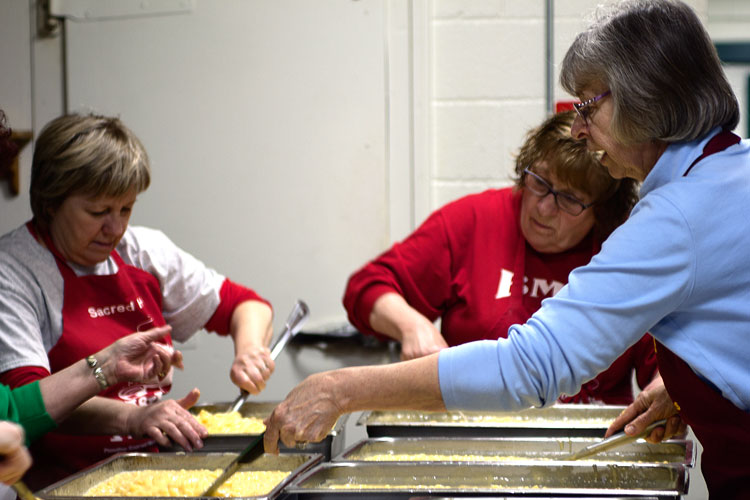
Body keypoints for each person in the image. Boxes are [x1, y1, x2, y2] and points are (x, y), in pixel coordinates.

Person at [263, 1, 749, 498]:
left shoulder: (676, 217)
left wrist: (341, 391)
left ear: (646, 98)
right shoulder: (733, 174)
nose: (579, 128)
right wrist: (694, 380)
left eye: (587, 104)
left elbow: (534, 365)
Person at [0, 113, 274, 487]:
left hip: (151, 475)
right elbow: (26, 405)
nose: (115, 228)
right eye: (98, 212)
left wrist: (250, 350)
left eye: (126, 209)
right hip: (61, 483)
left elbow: (244, 305)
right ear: (50, 203)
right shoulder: (14, 271)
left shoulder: (142, 251)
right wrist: (132, 417)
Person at [343, 110, 656, 405]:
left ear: (601, 212)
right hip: (472, 435)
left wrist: (662, 389)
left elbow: (663, 359)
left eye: (570, 199)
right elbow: (366, 287)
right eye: (540, 183)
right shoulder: (474, 220)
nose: (544, 209)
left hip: (590, 442)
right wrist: (411, 326)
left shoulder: (623, 245)